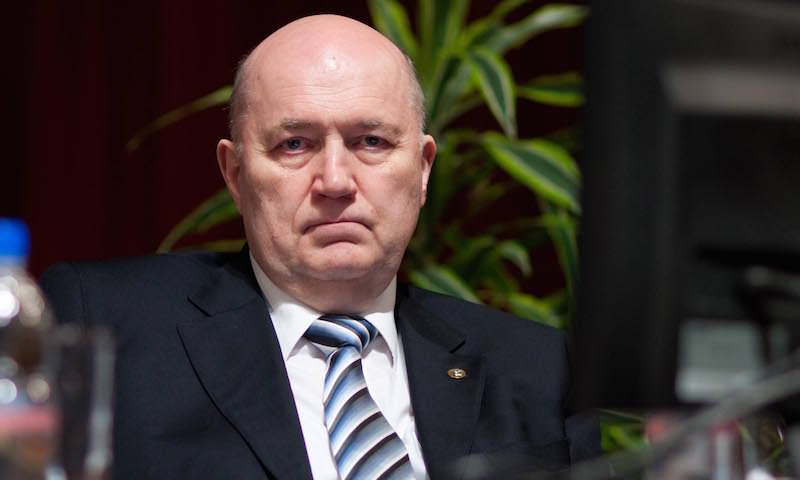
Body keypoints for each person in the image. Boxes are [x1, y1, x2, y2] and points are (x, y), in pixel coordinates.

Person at [41, 14, 600, 480]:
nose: (335, 181)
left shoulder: (536, 367)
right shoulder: (104, 323)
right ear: (235, 174)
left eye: (371, 141)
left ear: (423, 169)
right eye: (294, 144)